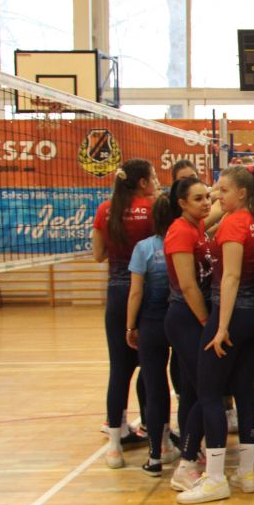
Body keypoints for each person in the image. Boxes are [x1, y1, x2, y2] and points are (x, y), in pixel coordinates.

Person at [180, 163, 254, 504]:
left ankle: (215, 478)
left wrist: (220, 327)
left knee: (209, 393)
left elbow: (231, 277)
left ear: (242, 193)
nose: (217, 195)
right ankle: (246, 473)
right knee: (246, 394)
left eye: (224, 190)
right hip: (252, 315)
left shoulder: (235, 223)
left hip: (232, 314)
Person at [92, 159, 157, 468]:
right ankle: (155, 435)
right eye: (153, 177)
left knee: (119, 369)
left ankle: (115, 447)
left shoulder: (105, 209)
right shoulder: (151, 209)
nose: (155, 182)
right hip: (146, 292)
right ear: (143, 182)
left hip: (117, 292)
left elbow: (98, 254)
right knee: (151, 366)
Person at [162, 177, 214, 493]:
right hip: (186, 317)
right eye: (198, 198)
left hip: (193, 317)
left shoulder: (197, 224)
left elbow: (218, 208)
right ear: (181, 203)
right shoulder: (180, 231)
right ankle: (186, 465)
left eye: (207, 196)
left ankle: (192, 451)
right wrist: (206, 321)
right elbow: (187, 284)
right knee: (206, 390)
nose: (206, 203)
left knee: (195, 392)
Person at [126, 195, 176, 476]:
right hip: (180, 322)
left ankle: (155, 457)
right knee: (188, 388)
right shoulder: (187, 241)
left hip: (152, 325)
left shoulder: (143, 248)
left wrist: (130, 327)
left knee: (155, 389)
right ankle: (193, 451)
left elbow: (135, 292)